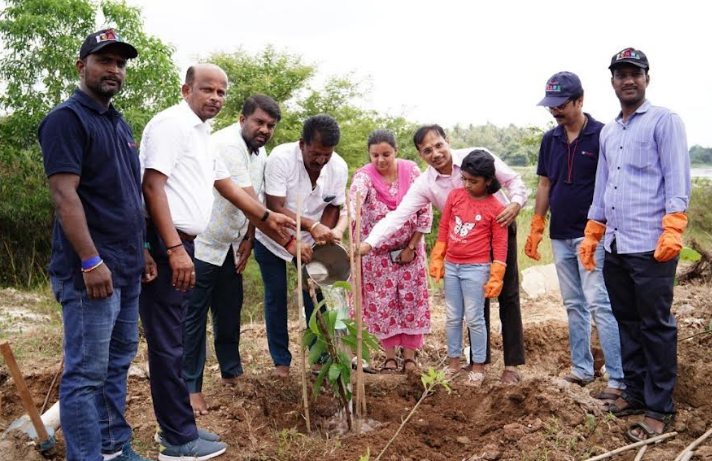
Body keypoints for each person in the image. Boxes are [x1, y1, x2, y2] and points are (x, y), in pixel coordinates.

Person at [140, 64, 296, 460]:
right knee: (171, 341)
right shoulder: (170, 125)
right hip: (168, 245)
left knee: (175, 338)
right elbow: (152, 185)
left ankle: (180, 429)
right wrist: (174, 248)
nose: (215, 98)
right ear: (186, 89)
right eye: (207, 89)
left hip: (188, 244)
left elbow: (224, 184)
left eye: (221, 92)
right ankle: (176, 438)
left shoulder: (202, 134)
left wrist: (263, 219)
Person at [39, 29, 155, 461]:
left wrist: (142, 247)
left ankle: (112, 447)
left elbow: (127, 193)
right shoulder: (67, 120)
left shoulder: (117, 122)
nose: (114, 70)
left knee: (117, 364)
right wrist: (90, 260)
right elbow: (64, 196)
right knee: (86, 374)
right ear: (81, 65)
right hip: (91, 274)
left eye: (120, 63)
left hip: (125, 268)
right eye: (104, 60)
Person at [579, 48, 690, 442]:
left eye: (635, 73)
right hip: (616, 245)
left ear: (647, 78)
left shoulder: (665, 121)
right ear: (612, 81)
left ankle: (660, 407)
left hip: (651, 245)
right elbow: (603, 186)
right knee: (628, 323)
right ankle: (636, 393)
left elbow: (677, 179)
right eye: (620, 74)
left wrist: (674, 226)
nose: (628, 80)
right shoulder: (609, 132)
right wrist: (594, 231)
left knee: (656, 326)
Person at [359, 124, 527, 384]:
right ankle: (477, 363)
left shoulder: (477, 156)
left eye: (438, 145)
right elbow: (398, 216)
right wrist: (369, 243)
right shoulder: (424, 183)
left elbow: (513, 180)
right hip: (465, 246)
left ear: (447, 141)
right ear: (420, 154)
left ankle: (512, 365)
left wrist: (515, 203)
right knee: (474, 306)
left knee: (508, 295)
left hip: (499, 226)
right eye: (427, 150)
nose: (435, 153)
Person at [525, 71, 624, 399]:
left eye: (561, 105)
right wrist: (537, 225)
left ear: (579, 101)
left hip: (591, 235)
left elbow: (613, 183)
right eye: (550, 106)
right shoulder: (549, 140)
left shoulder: (603, 135)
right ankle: (582, 369)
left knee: (599, 302)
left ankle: (618, 378)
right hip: (560, 235)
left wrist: (602, 227)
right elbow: (544, 184)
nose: (554, 111)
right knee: (573, 305)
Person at [182, 94, 282, 417]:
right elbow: (247, 200)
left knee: (229, 311)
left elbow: (258, 199)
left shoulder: (260, 152)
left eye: (270, 125)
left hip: (232, 243)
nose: (264, 130)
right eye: (259, 122)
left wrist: (250, 238)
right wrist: (289, 243)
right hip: (204, 243)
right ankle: (191, 387)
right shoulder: (227, 144)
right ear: (242, 119)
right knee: (194, 318)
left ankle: (231, 371)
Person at [254, 114, 348, 378]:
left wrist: (323, 235)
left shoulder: (338, 167)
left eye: (326, 155)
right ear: (301, 144)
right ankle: (281, 363)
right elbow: (274, 206)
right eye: (315, 153)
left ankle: (320, 359)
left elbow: (333, 205)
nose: (320, 160)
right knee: (276, 296)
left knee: (316, 296)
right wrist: (309, 226)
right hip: (274, 236)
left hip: (310, 240)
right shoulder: (281, 160)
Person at [349, 129, 432, 373]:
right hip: (376, 254)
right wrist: (349, 218)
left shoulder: (412, 172)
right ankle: (389, 358)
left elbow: (424, 212)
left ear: (396, 151)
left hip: (410, 251)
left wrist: (410, 247)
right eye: (375, 155)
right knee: (382, 303)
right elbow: (355, 198)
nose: (381, 160)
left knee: (410, 300)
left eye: (386, 154)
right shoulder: (364, 177)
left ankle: (409, 357)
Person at [430, 150, 508, 387]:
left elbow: (500, 243)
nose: (467, 184)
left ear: (488, 180)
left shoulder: (495, 207)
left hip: (476, 268)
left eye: (473, 181)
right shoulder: (455, 197)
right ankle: (453, 362)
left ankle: (478, 366)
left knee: (475, 318)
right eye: (464, 179)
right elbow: (444, 227)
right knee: (453, 317)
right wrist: (437, 256)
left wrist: (497, 274)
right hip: (452, 266)